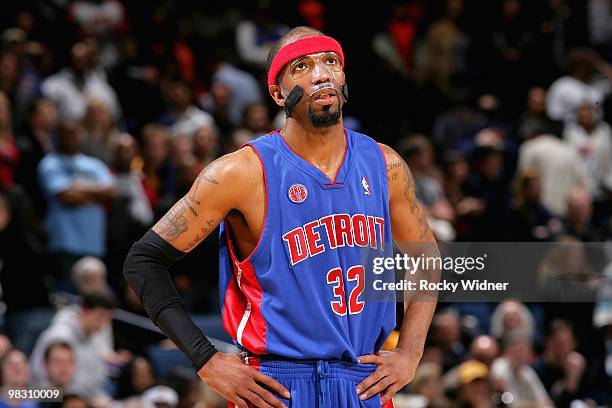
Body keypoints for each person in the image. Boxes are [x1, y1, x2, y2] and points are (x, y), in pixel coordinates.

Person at [124, 26, 439, 408]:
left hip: (363, 382)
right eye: (302, 66)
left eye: (330, 62)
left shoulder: (386, 165)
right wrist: (205, 360)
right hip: (275, 385)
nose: (321, 73)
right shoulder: (240, 172)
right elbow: (143, 262)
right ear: (277, 93)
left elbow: (426, 257)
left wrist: (410, 352)